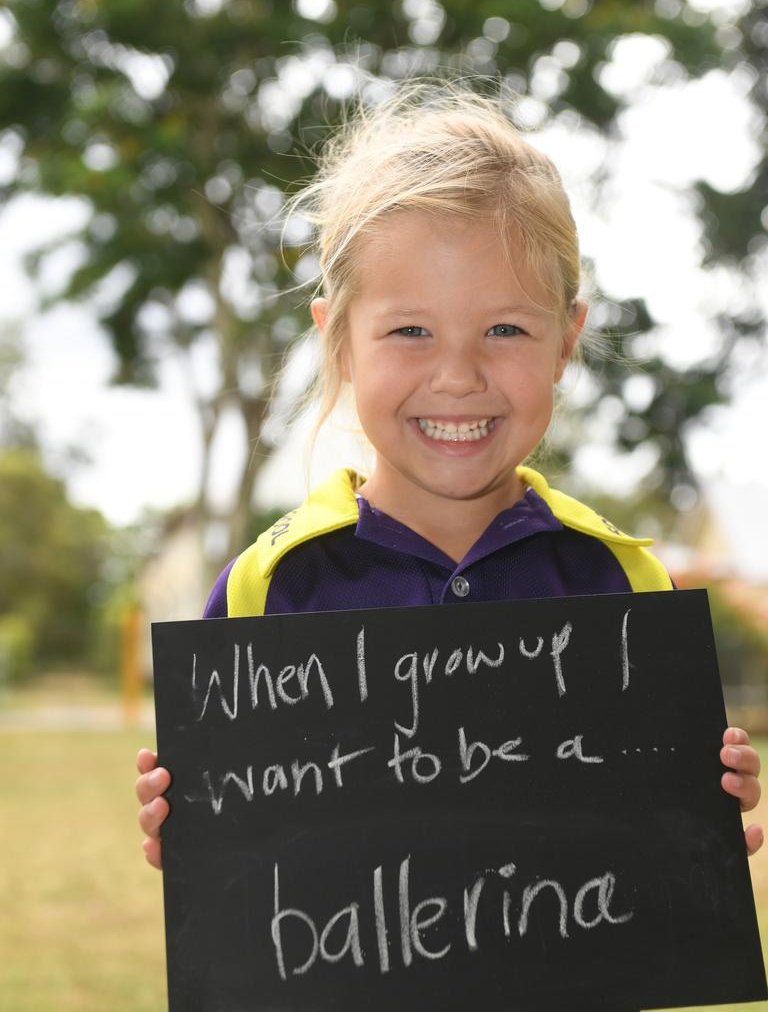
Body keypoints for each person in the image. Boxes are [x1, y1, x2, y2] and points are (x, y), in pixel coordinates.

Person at [136, 80, 762, 872]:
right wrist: (194, 834)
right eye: (410, 331)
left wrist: (696, 823)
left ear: (567, 338)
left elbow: (651, 875)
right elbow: (246, 877)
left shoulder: (630, 588)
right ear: (338, 342)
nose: (458, 376)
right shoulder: (268, 588)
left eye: (505, 328)